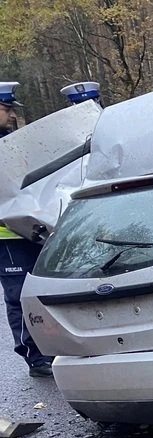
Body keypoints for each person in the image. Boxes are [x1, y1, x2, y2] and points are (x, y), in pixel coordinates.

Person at [0, 81, 52, 377]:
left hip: (33, 230)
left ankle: (53, 348)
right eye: (6, 108)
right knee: (19, 295)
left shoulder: (12, 141)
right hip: (6, 237)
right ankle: (35, 356)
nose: (12, 114)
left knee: (44, 289)